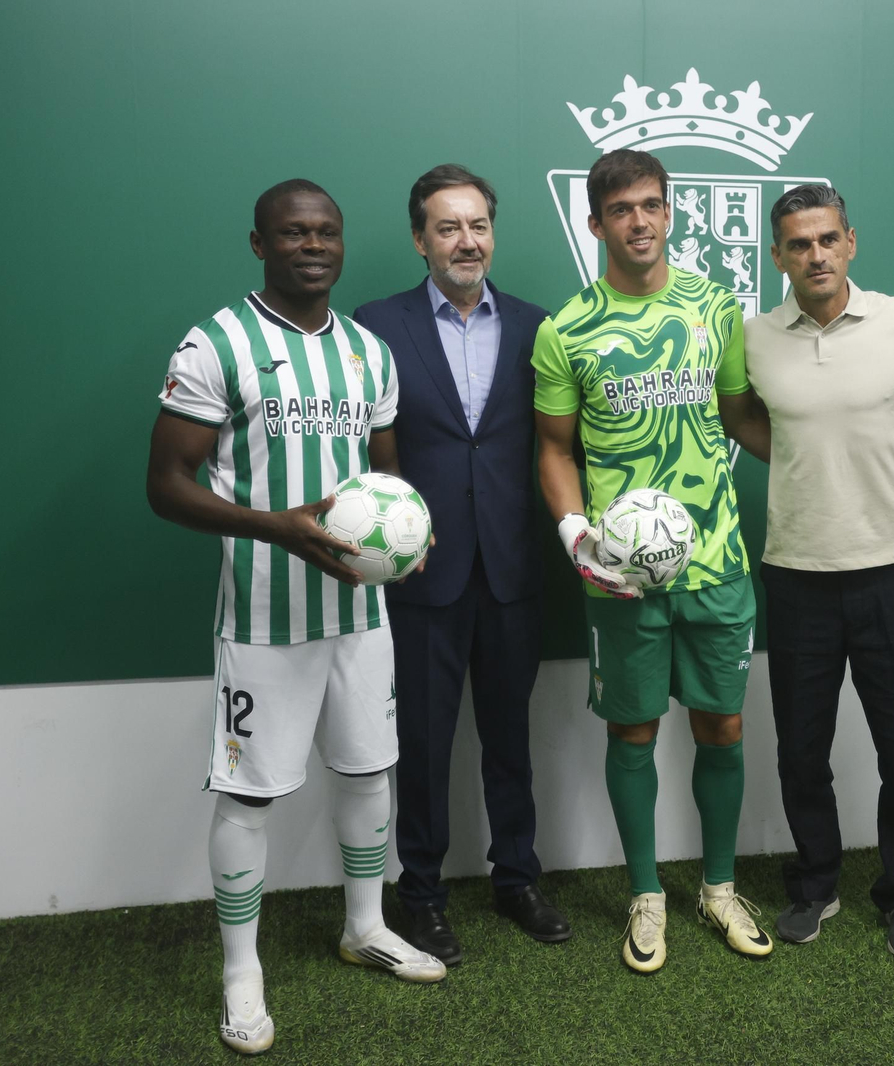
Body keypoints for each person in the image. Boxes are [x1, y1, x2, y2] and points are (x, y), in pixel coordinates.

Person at [147, 179, 445, 1056]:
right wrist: (273, 527)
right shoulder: (218, 342)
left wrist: (408, 535)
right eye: (292, 233)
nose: (312, 246)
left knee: (368, 774)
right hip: (263, 619)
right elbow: (165, 487)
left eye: (326, 233)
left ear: (343, 243)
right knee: (248, 791)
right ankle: (241, 970)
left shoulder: (366, 352)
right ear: (259, 243)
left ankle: (366, 926)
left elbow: (387, 485)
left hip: (360, 614)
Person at [531, 148, 771, 973]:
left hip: (717, 559)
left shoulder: (714, 306)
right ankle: (645, 892)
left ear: (671, 214)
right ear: (595, 224)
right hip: (622, 575)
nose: (640, 221)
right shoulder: (565, 329)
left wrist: (826, 457)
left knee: (724, 725)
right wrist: (575, 538)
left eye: (653, 205)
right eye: (622, 209)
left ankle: (717, 886)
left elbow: (739, 413)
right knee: (633, 729)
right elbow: (554, 451)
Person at [352, 165, 567, 965]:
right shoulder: (375, 325)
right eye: (448, 228)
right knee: (425, 741)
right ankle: (422, 896)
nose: (466, 240)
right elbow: (362, 449)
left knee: (512, 737)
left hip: (513, 568)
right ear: (420, 239)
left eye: (477, 225)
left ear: (492, 232)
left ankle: (518, 880)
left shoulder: (540, 328)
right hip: (421, 576)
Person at [735, 184, 894, 958]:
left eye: (827, 239)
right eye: (798, 243)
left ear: (850, 242)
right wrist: (797, 462)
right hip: (795, 571)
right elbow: (740, 417)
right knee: (801, 747)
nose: (814, 254)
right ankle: (815, 884)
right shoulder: (754, 336)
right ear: (778, 254)